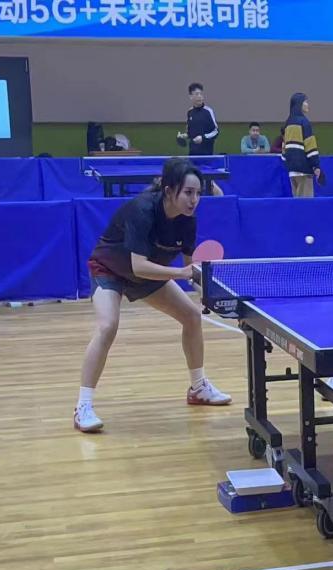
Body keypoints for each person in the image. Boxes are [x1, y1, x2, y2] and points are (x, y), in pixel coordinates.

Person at [74, 158, 231, 433]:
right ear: (169, 190)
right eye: (188, 192)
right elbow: (139, 266)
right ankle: (83, 407)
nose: (194, 200)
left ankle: (198, 388)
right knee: (107, 326)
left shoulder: (188, 221)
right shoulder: (142, 210)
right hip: (110, 270)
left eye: (198, 193)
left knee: (192, 316)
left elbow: (191, 270)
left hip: (147, 276)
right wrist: (181, 273)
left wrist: (210, 293)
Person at [282, 93, 322, 198]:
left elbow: (284, 148)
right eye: (305, 102)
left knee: (297, 204)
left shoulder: (287, 123)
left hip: (292, 171)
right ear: (299, 104)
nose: (307, 104)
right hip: (304, 171)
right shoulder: (304, 122)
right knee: (306, 204)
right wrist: (316, 165)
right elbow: (310, 147)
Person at [178, 82, 218, 157]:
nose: (199, 96)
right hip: (192, 155)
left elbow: (216, 132)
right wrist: (183, 136)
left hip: (207, 155)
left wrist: (203, 138)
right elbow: (190, 133)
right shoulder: (190, 112)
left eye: (201, 94)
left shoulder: (208, 111)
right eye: (196, 94)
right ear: (190, 96)